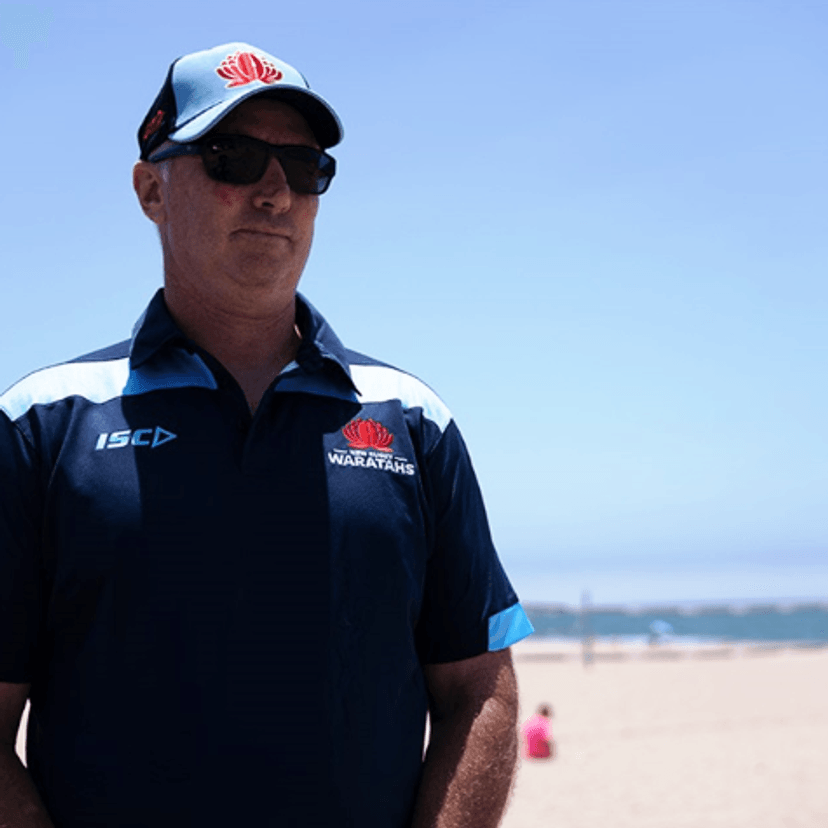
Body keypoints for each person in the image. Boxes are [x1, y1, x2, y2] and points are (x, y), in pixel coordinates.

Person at [0, 42, 535, 828]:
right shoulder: (45, 422)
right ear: (151, 188)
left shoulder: (410, 420)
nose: (276, 191)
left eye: (306, 166)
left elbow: (480, 689)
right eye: (233, 157)